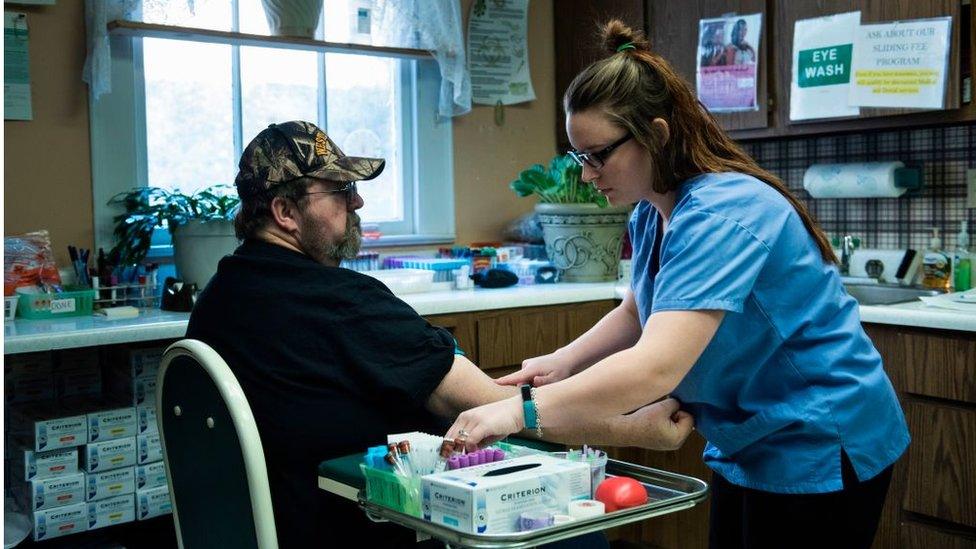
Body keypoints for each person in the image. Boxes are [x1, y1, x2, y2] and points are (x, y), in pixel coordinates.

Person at [446, 22, 909, 549]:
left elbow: (655, 368)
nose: (588, 173)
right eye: (580, 157)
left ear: (658, 135)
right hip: (753, 436)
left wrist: (519, 412)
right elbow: (639, 308)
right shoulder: (653, 210)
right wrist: (564, 360)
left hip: (821, 436)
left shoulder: (723, 212)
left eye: (598, 154)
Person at [186, 120, 695, 548]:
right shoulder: (342, 303)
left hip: (284, 523)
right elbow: (490, 412)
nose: (357, 202)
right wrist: (633, 430)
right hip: (368, 520)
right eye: (340, 191)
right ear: (285, 213)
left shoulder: (215, 301)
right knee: (571, 530)